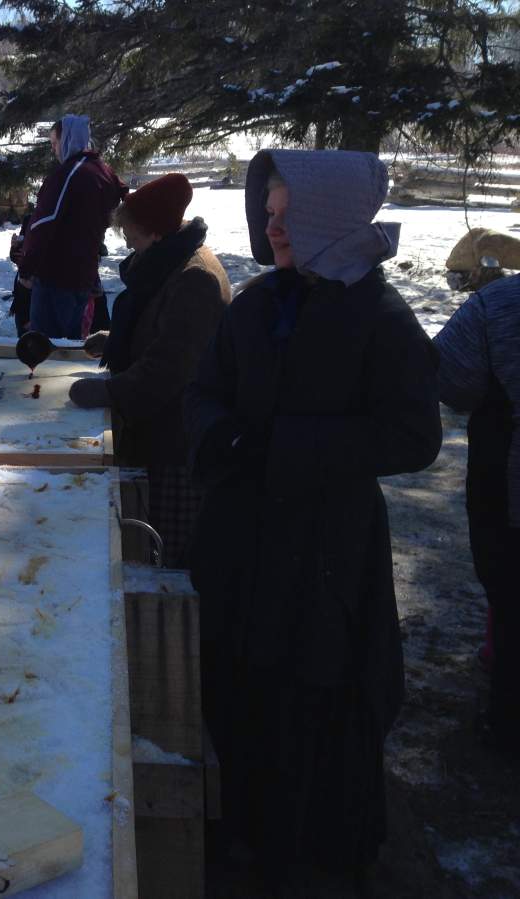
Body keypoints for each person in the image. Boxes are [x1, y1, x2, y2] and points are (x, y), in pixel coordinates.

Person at [185, 149, 442, 890]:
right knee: (238, 683)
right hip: (243, 540)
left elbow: (414, 435)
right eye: (268, 214)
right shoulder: (257, 304)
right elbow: (203, 391)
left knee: (315, 697)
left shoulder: (381, 317)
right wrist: (223, 437)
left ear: (328, 215)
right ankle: (244, 828)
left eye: (286, 215)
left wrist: (290, 447)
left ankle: (311, 851)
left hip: (326, 552)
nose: (272, 229)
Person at [68, 173, 231, 568]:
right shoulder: (171, 261)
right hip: (163, 430)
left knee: (167, 553)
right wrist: (117, 339)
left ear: (156, 233)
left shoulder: (194, 278)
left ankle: (173, 604)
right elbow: (164, 329)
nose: (128, 244)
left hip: (177, 442)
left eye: (133, 236)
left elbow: (170, 368)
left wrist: (108, 392)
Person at [435, 275, 520, 756]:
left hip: (509, 493)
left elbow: (450, 378)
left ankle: (508, 726)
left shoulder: (500, 305)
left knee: (511, 602)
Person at [17, 114, 126, 338]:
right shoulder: (104, 171)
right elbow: (122, 196)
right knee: (73, 342)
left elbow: (43, 223)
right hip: (85, 274)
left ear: (67, 140)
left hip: (57, 276)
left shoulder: (68, 174)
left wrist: (27, 267)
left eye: (55, 143)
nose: (54, 150)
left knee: (47, 345)